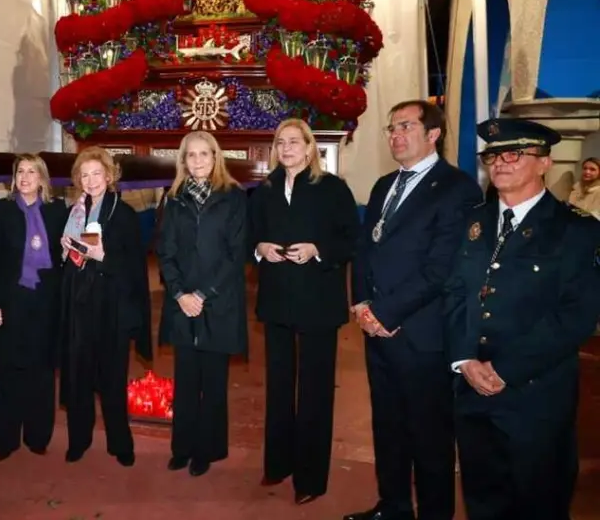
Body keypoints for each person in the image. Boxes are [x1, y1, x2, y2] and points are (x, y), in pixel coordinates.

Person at [445, 118, 600, 520]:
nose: (500, 162)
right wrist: (464, 359)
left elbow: (578, 315)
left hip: (535, 396)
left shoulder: (576, 230)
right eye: (494, 155)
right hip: (472, 390)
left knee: (539, 503)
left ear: (545, 162)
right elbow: (455, 293)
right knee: (482, 500)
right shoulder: (472, 222)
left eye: (514, 154)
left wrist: (505, 369)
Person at [345, 100, 482, 520]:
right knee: (388, 428)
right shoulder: (384, 185)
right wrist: (362, 305)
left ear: (433, 134)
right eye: (391, 128)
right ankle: (394, 506)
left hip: (421, 335)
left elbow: (441, 268)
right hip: (377, 331)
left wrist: (386, 313)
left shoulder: (457, 188)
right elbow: (365, 249)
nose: (395, 135)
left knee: (430, 437)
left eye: (405, 126)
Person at [248, 119, 359, 503]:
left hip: (318, 301)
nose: (286, 148)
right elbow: (249, 235)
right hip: (277, 298)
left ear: (310, 148)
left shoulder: (333, 188)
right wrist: (260, 248)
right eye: (280, 142)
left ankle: (310, 479)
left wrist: (318, 249)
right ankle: (277, 463)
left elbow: (352, 239)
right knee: (278, 387)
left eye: (294, 142)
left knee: (315, 391)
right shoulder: (264, 190)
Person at [156, 131, 248, 477]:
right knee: (185, 379)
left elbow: (236, 254)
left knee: (213, 382)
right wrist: (180, 294)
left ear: (215, 156)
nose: (197, 161)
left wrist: (203, 294)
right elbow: (165, 252)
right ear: (183, 161)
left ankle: (207, 450)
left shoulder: (234, 197)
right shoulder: (173, 198)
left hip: (218, 300)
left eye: (204, 154)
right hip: (182, 302)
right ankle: (182, 448)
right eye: (191, 155)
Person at [58, 146, 152, 467]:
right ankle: (79, 440)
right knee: (78, 375)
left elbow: (134, 267)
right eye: (84, 175)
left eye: (97, 173)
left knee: (112, 378)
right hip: (79, 304)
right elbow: (68, 261)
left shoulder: (123, 214)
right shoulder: (74, 213)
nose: (91, 180)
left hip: (112, 307)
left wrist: (103, 257)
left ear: (109, 176)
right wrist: (67, 250)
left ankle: (120, 443)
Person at [0, 154, 68, 460]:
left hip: (46, 300)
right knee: (6, 370)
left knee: (41, 370)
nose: (25, 177)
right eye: (21, 171)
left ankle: (37, 436)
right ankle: (4, 439)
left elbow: (67, 254)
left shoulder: (58, 210)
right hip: (10, 300)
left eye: (32, 171)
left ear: (42, 178)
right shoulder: (1, 210)